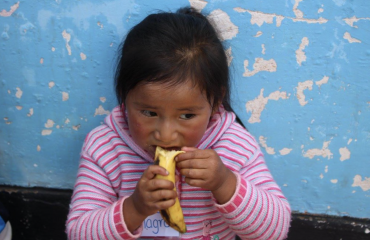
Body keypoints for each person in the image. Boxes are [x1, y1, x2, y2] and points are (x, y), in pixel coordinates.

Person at [66, 7, 291, 240]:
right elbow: (79, 233)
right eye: (149, 112)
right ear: (124, 96)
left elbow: (275, 231)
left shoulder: (234, 145)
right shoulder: (105, 148)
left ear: (215, 103)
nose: (166, 135)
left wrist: (225, 182)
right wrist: (134, 209)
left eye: (186, 116)